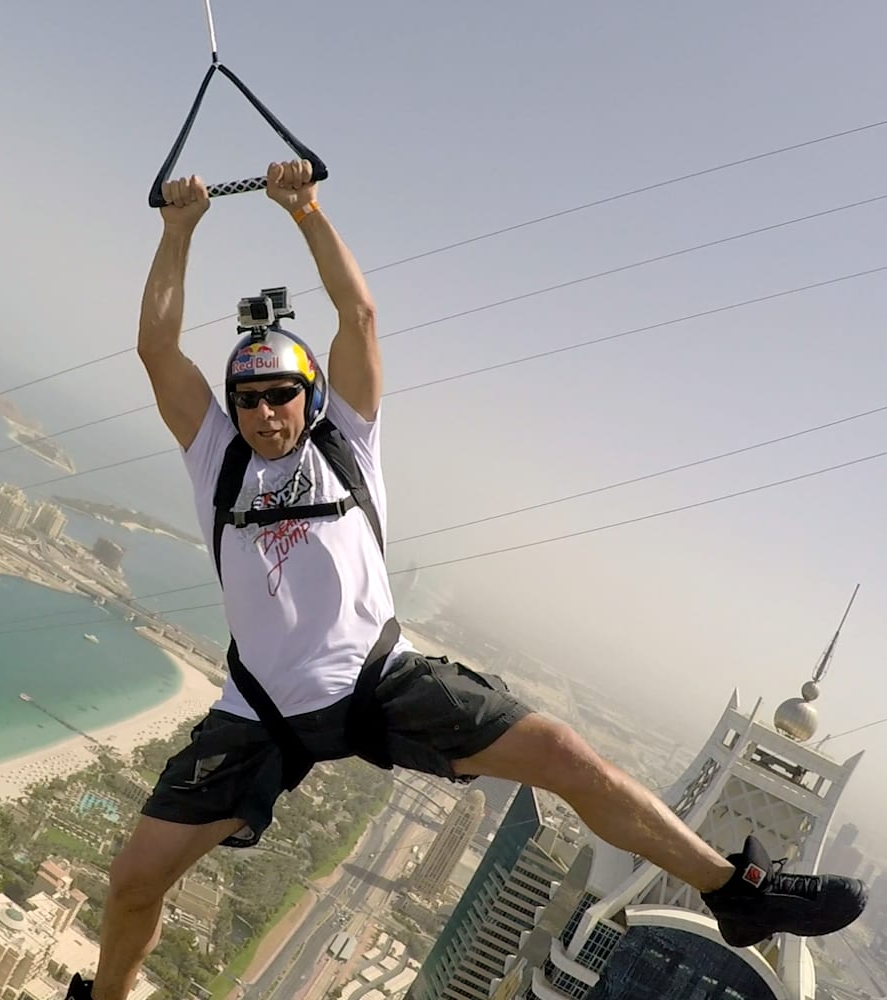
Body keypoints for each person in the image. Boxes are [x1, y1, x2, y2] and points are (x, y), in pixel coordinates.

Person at [65, 160, 867, 1000]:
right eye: (249, 399)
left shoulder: (348, 441)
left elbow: (358, 313)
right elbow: (157, 348)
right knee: (133, 881)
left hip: (380, 680)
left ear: (310, 395)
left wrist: (306, 212)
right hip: (259, 710)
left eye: (281, 395)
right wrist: (177, 232)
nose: (265, 414)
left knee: (563, 754)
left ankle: (736, 891)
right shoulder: (214, 457)